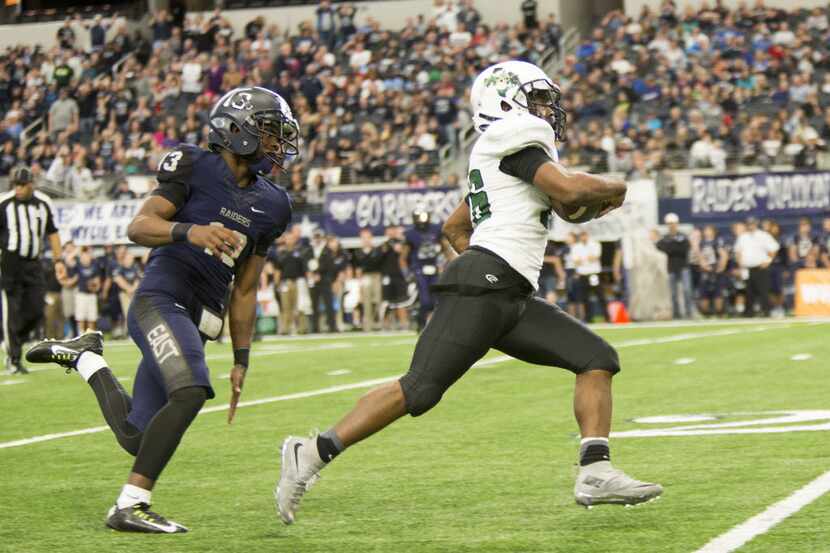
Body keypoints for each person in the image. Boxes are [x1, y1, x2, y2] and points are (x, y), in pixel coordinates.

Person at [276, 60, 661, 525]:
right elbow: (567, 188)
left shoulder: (505, 154)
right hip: (488, 285)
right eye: (537, 98)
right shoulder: (514, 134)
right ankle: (311, 452)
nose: (547, 109)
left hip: (508, 293)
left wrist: (492, 256)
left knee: (596, 357)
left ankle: (595, 470)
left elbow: (457, 225)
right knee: (419, 389)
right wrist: (617, 186)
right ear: (507, 102)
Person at [26, 87, 297, 533]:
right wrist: (190, 231)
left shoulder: (274, 204)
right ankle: (130, 504)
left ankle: (86, 357)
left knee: (137, 437)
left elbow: (246, 289)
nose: (275, 144)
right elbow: (140, 225)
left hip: (198, 318)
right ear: (237, 129)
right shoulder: (195, 165)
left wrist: (241, 359)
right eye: (269, 132)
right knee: (190, 390)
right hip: (160, 300)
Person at [0, 165, 62, 374]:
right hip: (10, 262)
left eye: (22, 185)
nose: (18, 189)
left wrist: (59, 260)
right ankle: (13, 358)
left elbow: (53, 232)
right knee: (13, 311)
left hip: (34, 263)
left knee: (37, 309)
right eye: (15, 185)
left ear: (31, 185)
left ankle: (16, 338)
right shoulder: (4, 203)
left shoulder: (43, 203)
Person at [401, 208, 449, 331]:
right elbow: (403, 258)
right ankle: (420, 323)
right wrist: (407, 273)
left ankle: (436, 325)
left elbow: (446, 250)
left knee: (437, 300)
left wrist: (454, 263)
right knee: (425, 300)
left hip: (435, 268)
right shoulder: (410, 233)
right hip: (419, 268)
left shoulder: (435, 229)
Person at [734, 217, 779, 317]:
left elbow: (774, 248)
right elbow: (738, 251)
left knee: (763, 291)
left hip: (760, 268)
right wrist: (740, 265)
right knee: (749, 292)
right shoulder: (743, 237)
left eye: (752, 224)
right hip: (747, 268)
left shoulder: (763, 235)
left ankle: (766, 311)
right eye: (749, 224)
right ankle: (749, 313)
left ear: (756, 224)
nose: (750, 226)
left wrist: (768, 261)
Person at [657, 213, 693, 319]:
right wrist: (674, 248)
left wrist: (671, 248)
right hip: (671, 267)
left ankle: (689, 313)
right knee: (673, 293)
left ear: (677, 224)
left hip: (683, 267)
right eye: (669, 224)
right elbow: (662, 248)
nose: (671, 226)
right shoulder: (665, 238)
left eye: (673, 223)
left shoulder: (683, 237)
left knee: (687, 290)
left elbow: (684, 249)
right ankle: (676, 314)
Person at [571, 230, 608, 322]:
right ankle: (589, 318)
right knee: (585, 297)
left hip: (593, 274)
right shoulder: (576, 247)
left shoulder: (595, 244)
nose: (584, 237)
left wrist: (582, 259)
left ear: (587, 236)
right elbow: (576, 261)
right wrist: (587, 258)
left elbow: (595, 257)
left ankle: (607, 316)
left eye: (585, 235)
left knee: (600, 295)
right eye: (582, 236)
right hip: (583, 275)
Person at [353, 228, 383, 331]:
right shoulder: (357, 252)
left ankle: (378, 323)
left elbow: (379, 264)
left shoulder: (377, 251)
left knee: (377, 299)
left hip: (376, 276)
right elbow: (357, 268)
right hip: (364, 277)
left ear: (371, 238)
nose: (366, 240)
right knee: (366, 301)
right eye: (363, 238)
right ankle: (368, 324)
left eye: (367, 237)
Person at [696, 225, 728, 317]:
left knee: (718, 294)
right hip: (705, 272)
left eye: (708, 230)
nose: (706, 232)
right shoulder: (701, 243)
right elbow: (699, 256)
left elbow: (723, 255)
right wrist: (703, 265)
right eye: (705, 230)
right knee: (704, 296)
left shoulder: (718, 241)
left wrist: (720, 267)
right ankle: (706, 314)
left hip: (716, 271)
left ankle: (720, 314)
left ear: (714, 231)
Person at [72, 246, 101, 332]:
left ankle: (90, 335)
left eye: (87, 256)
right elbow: (68, 260)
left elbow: (97, 280)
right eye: (83, 256)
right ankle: (81, 334)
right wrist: (78, 250)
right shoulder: (78, 265)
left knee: (92, 317)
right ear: (81, 257)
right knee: (81, 317)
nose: (85, 258)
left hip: (91, 295)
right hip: (81, 294)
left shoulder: (95, 265)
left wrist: (95, 288)